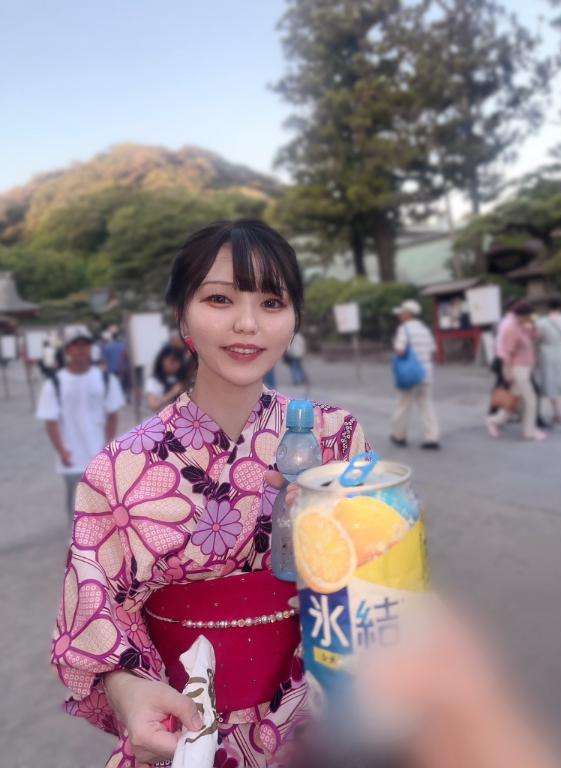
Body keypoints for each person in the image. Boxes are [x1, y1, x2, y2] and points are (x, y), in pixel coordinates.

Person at [50, 220, 369, 768]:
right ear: (182, 315)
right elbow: (94, 618)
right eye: (220, 299)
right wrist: (126, 693)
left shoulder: (335, 436)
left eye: (272, 302)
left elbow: (382, 582)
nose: (247, 323)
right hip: (187, 734)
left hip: (320, 725)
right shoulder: (120, 467)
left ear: (294, 320)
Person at [36, 326, 125, 519]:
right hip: (72, 457)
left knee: (104, 502)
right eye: (76, 345)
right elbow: (50, 422)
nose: (81, 349)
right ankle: (76, 533)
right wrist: (62, 450)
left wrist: (108, 445)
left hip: (99, 454)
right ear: (68, 350)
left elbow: (112, 415)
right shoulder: (54, 383)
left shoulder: (105, 379)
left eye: (85, 344)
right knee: (76, 503)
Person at [486, 301, 546, 441]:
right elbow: (507, 353)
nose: (531, 317)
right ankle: (529, 431)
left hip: (525, 368)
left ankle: (493, 421)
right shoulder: (511, 328)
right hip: (518, 369)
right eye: (530, 315)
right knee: (531, 400)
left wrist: (533, 325)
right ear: (523, 315)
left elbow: (534, 337)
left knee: (513, 401)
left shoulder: (522, 325)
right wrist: (507, 371)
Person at [390, 300, 441, 450]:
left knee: (403, 404)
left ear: (407, 314)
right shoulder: (424, 329)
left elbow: (400, 350)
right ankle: (432, 437)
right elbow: (433, 350)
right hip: (425, 374)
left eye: (401, 313)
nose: (399, 316)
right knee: (426, 405)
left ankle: (399, 435)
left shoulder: (404, 329)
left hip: (409, 374)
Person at [536, 297, 561, 422]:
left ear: (548, 306)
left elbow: (538, 338)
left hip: (547, 352)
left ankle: (556, 412)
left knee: (550, 380)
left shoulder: (541, 322)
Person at [145, 345, 188, 412]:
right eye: (172, 362)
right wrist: (172, 393)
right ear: (162, 360)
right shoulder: (153, 381)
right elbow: (153, 405)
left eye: (178, 362)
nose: (176, 365)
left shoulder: (179, 377)